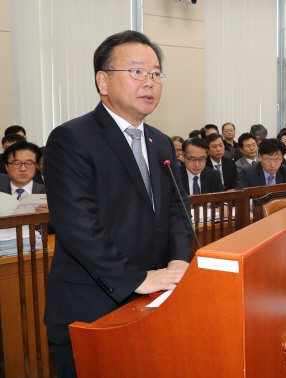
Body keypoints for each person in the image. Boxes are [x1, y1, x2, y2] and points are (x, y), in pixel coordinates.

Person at [43, 31, 192, 377]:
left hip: (153, 302)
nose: (149, 82)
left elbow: (176, 211)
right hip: (94, 308)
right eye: (137, 72)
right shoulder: (71, 139)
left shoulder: (159, 143)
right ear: (103, 81)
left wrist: (179, 260)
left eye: (156, 74)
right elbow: (78, 225)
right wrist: (137, 278)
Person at [1, 141, 48, 211]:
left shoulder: (49, 193)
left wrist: (50, 216)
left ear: (36, 166)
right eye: (16, 163)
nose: (23, 169)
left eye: (29, 163)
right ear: (6, 167)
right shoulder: (1, 193)